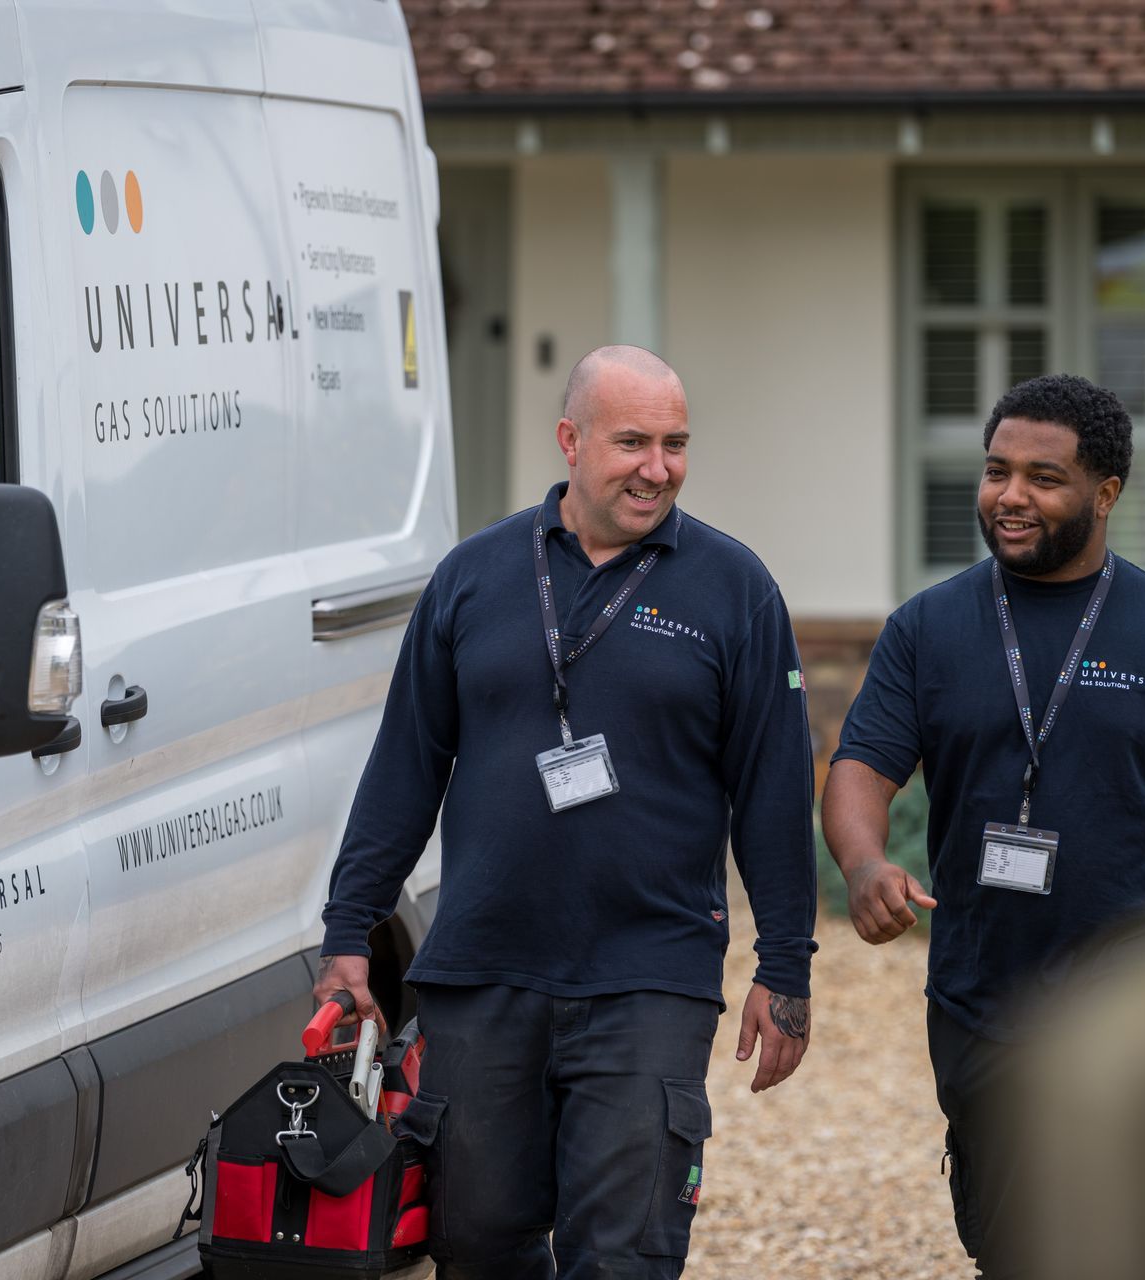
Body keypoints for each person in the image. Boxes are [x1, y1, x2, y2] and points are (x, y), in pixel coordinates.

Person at [314, 345, 817, 1280]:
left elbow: (775, 792)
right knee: (478, 1246)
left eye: (675, 444)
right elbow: (403, 770)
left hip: (648, 974)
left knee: (623, 1256)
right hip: (480, 972)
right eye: (632, 442)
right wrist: (349, 930)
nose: (657, 468)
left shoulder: (734, 590)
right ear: (569, 440)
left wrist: (786, 966)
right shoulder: (473, 577)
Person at [822, 373, 1145, 1279]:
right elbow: (860, 770)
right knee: (1009, 1244)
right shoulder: (928, 628)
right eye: (998, 471)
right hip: (984, 1001)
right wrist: (865, 861)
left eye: (1043, 477)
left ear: (1106, 494)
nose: (1011, 497)